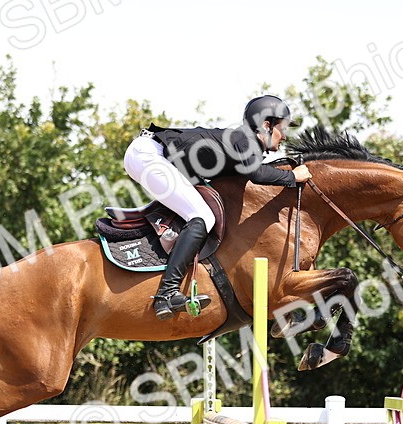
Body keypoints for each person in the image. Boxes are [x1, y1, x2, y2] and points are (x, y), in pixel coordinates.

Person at [124, 95, 312, 320]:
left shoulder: (243, 144)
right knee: (201, 216)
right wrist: (292, 176)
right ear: (266, 126)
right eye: (282, 128)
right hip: (148, 155)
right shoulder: (245, 140)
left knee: (200, 211)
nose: (285, 136)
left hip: (154, 155)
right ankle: (166, 293)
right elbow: (257, 174)